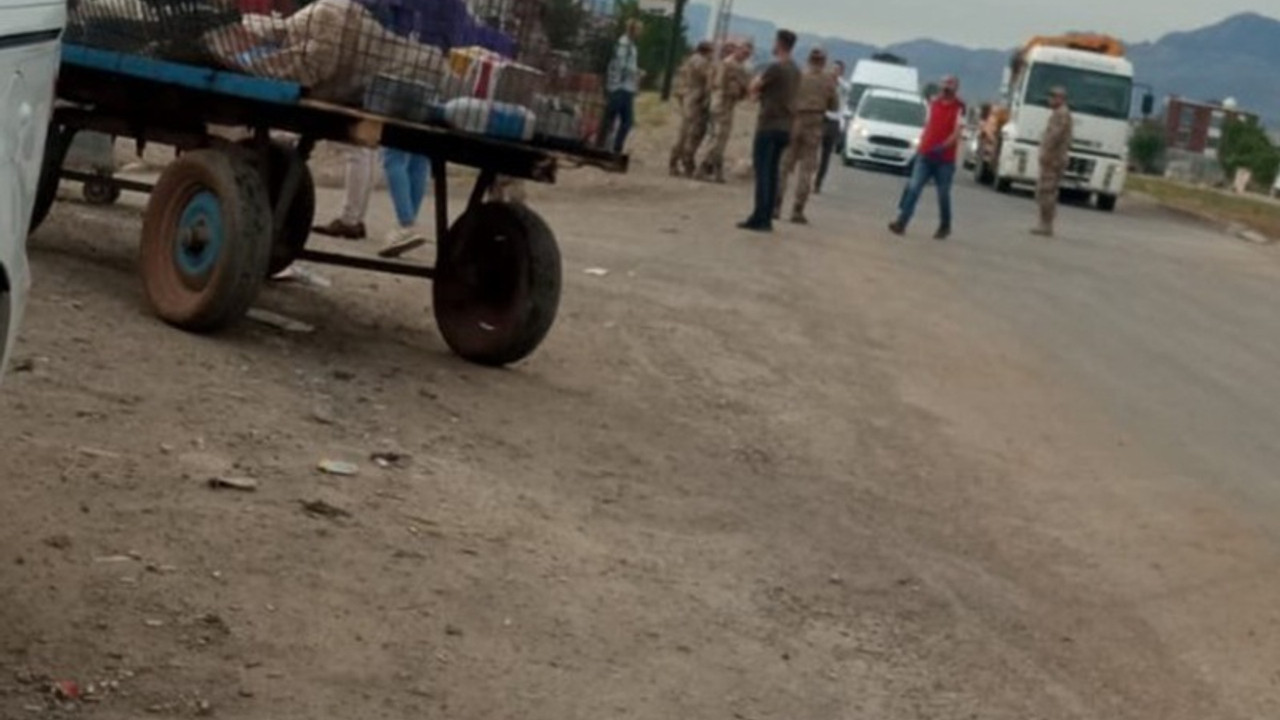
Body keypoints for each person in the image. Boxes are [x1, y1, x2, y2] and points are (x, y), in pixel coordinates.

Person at [888, 75, 966, 240]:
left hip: (944, 159)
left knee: (943, 194)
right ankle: (901, 222)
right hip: (925, 155)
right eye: (944, 84)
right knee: (914, 187)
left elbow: (957, 132)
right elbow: (927, 126)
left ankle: (945, 225)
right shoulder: (933, 104)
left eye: (950, 85)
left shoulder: (960, 108)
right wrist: (920, 148)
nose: (946, 88)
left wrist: (943, 146)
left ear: (956, 88)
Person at [737, 29, 800, 233]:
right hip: (786, 127)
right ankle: (768, 217)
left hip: (769, 124)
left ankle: (760, 216)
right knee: (772, 172)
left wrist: (755, 88)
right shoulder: (796, 70)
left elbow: (754, 86)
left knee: (763, 171)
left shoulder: (776, 67)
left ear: (780, 44)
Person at [774, 47, 837, 224]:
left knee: (784, 165)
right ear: (823, 62)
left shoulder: (798, 75)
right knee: (807, 170)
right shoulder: (828, 80)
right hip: (815, 123)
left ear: (809, 60)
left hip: (794, 120)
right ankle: (797, 210)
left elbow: (786, 97)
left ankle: (776, 206)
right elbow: (834, 106)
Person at [696, 42, 753, 183]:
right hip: (722, 102)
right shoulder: (728, 64)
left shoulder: (739, 67)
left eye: (748, 54)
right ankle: (703, 167)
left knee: (721, 138)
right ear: (738, 51)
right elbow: (718, 84)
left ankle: (715, 169)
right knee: (718, 137)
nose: (745, 56)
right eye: (744, 53)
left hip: (728, 104)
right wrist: (736, 88)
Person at [669, 41, 714, 177]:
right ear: (707, 51)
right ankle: (685, 161)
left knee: (686, 130)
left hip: (687, 96)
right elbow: (709, 79)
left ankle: (676, 161)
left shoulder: (690, 60)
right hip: (695, 99)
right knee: (691, 132)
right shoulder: (701, 62)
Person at [1032, 86, 1073, 237]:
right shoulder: (1058, 113)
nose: (1050, 100)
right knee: (1044, 191)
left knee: (1047, 191)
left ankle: (1046, 224)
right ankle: (1043, 223)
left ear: (1060, 98)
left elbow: (1054, 136)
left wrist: (1046, 152)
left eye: (1053, 96)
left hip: (1054, 159)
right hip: (1052, 158)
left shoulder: (1062, 114)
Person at [599, 18, 643, 154]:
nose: (640, 33)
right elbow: (622, 65)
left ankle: (608, 145)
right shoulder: (625, 46)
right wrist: (637, 73)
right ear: (633, 30)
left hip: (624, 87)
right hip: (621, 87)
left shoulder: (629, 45)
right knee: (623, 120)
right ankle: (611, 146)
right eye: (639, 30)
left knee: (616, 119)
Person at [814, 59, 846, 195]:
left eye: (837, 70)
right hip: (822, 119)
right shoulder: (823, 82)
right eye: (833, 69)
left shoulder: (843, 87)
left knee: (826, 155)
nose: (834, 72)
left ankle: (818, 182)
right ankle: (811, 176)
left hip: (833, 122)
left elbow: (843, 99)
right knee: (814, 150)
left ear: (841, 72)